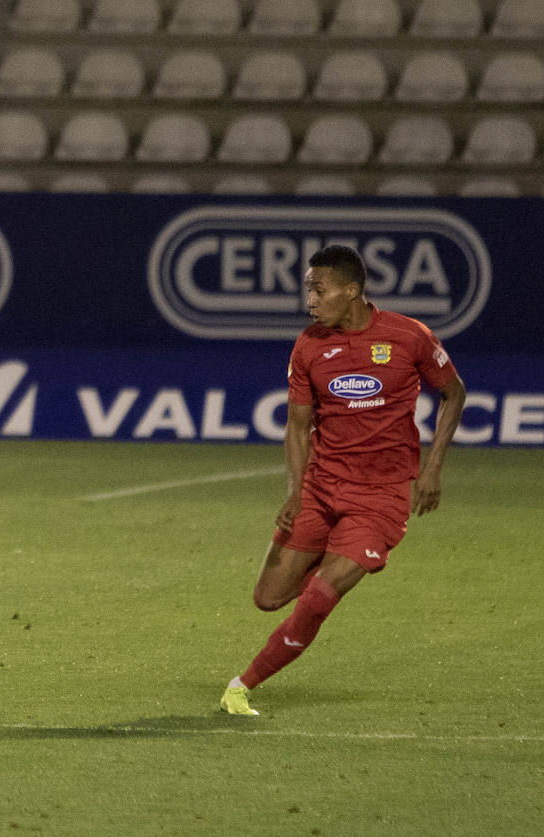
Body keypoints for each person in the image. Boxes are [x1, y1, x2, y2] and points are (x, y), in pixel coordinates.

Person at [218, 245, 466, 716]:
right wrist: (295, 492)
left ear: (351, 291)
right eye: (307, 289)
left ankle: (242, 685)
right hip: (321, 488)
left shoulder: (408, 336)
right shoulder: (309, 345)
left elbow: (453, 393)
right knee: (267, 597)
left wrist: (432, 468)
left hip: (380, 497)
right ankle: (335, 553)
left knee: (318, 598)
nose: (309, 299)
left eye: (318, 289)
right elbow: (296, 424)